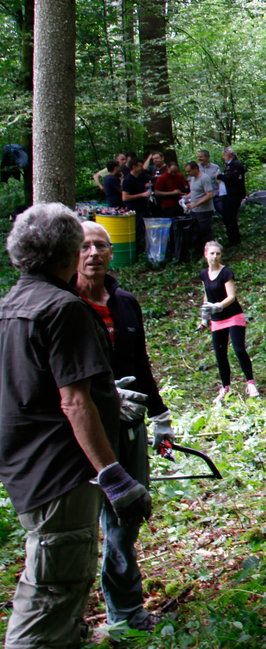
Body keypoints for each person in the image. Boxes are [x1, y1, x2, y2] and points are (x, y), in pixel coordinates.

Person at [0, 203, 151, 647]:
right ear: (68, 253)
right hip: (60, 472)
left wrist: (112, 396)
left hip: (25, 466)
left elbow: (33, 385)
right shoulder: (63, 309)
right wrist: (114, 475)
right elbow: (74, 401)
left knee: (58, 585)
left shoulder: (10, 305)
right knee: (52, 587)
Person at [75, 221, 174, 632]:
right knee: (76, 528)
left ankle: (126, 611)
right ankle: (69, 615)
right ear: (71, 254)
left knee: (124, 518)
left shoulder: (125, 303)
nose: (93, 253)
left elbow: (141, 366)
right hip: (78, 433)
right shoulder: (65, 305)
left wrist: (161, 416)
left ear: (111, 252)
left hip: (129, 427)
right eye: (84, 246)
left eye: (100, 245)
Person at [199, 241, 258, 402]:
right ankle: (225, 387)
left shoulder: (226, 272)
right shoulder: (204, 274)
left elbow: (231, 296)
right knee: (220, 355)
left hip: (233, 316)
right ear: (206, 255)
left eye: (218, 254)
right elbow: (206, 295)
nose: (215, 257)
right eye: (212, 253)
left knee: (239, 350)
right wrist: (205, 317)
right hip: (217, 320)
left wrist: (218, 306)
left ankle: (250, 383)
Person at [121, 159, 153, 254]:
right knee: (137, 232)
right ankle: (136, 254)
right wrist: (142, 195)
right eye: (140, 166)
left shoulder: (140, 178)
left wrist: (146, 187)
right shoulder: (128, 180)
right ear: (134, 167)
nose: (142, 168)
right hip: (135, 210)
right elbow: (125, 197)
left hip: (144, 208)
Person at [185, 161, 217, 247]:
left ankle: (210, 250)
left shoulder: (204, 178)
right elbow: (194, 191)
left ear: (195, 169)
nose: (188, 173)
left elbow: (210, 194)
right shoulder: (193, 178)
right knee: (195, 232)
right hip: (194, 211)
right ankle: (198, 252)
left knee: (205, 232)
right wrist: (185, 198)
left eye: (189, 171)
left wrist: (196, 204)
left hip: (204, 211)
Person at [220, 148, 247, 247]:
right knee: (227, 217)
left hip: (233, 194)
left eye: (224, 154)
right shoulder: (229, 165)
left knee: (230, 217)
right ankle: (232, 238)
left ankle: (235, 240)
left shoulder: (236, 164)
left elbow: (233, 178)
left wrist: (219, 176)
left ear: (228, 155)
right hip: (228, 194)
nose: (223, 157)